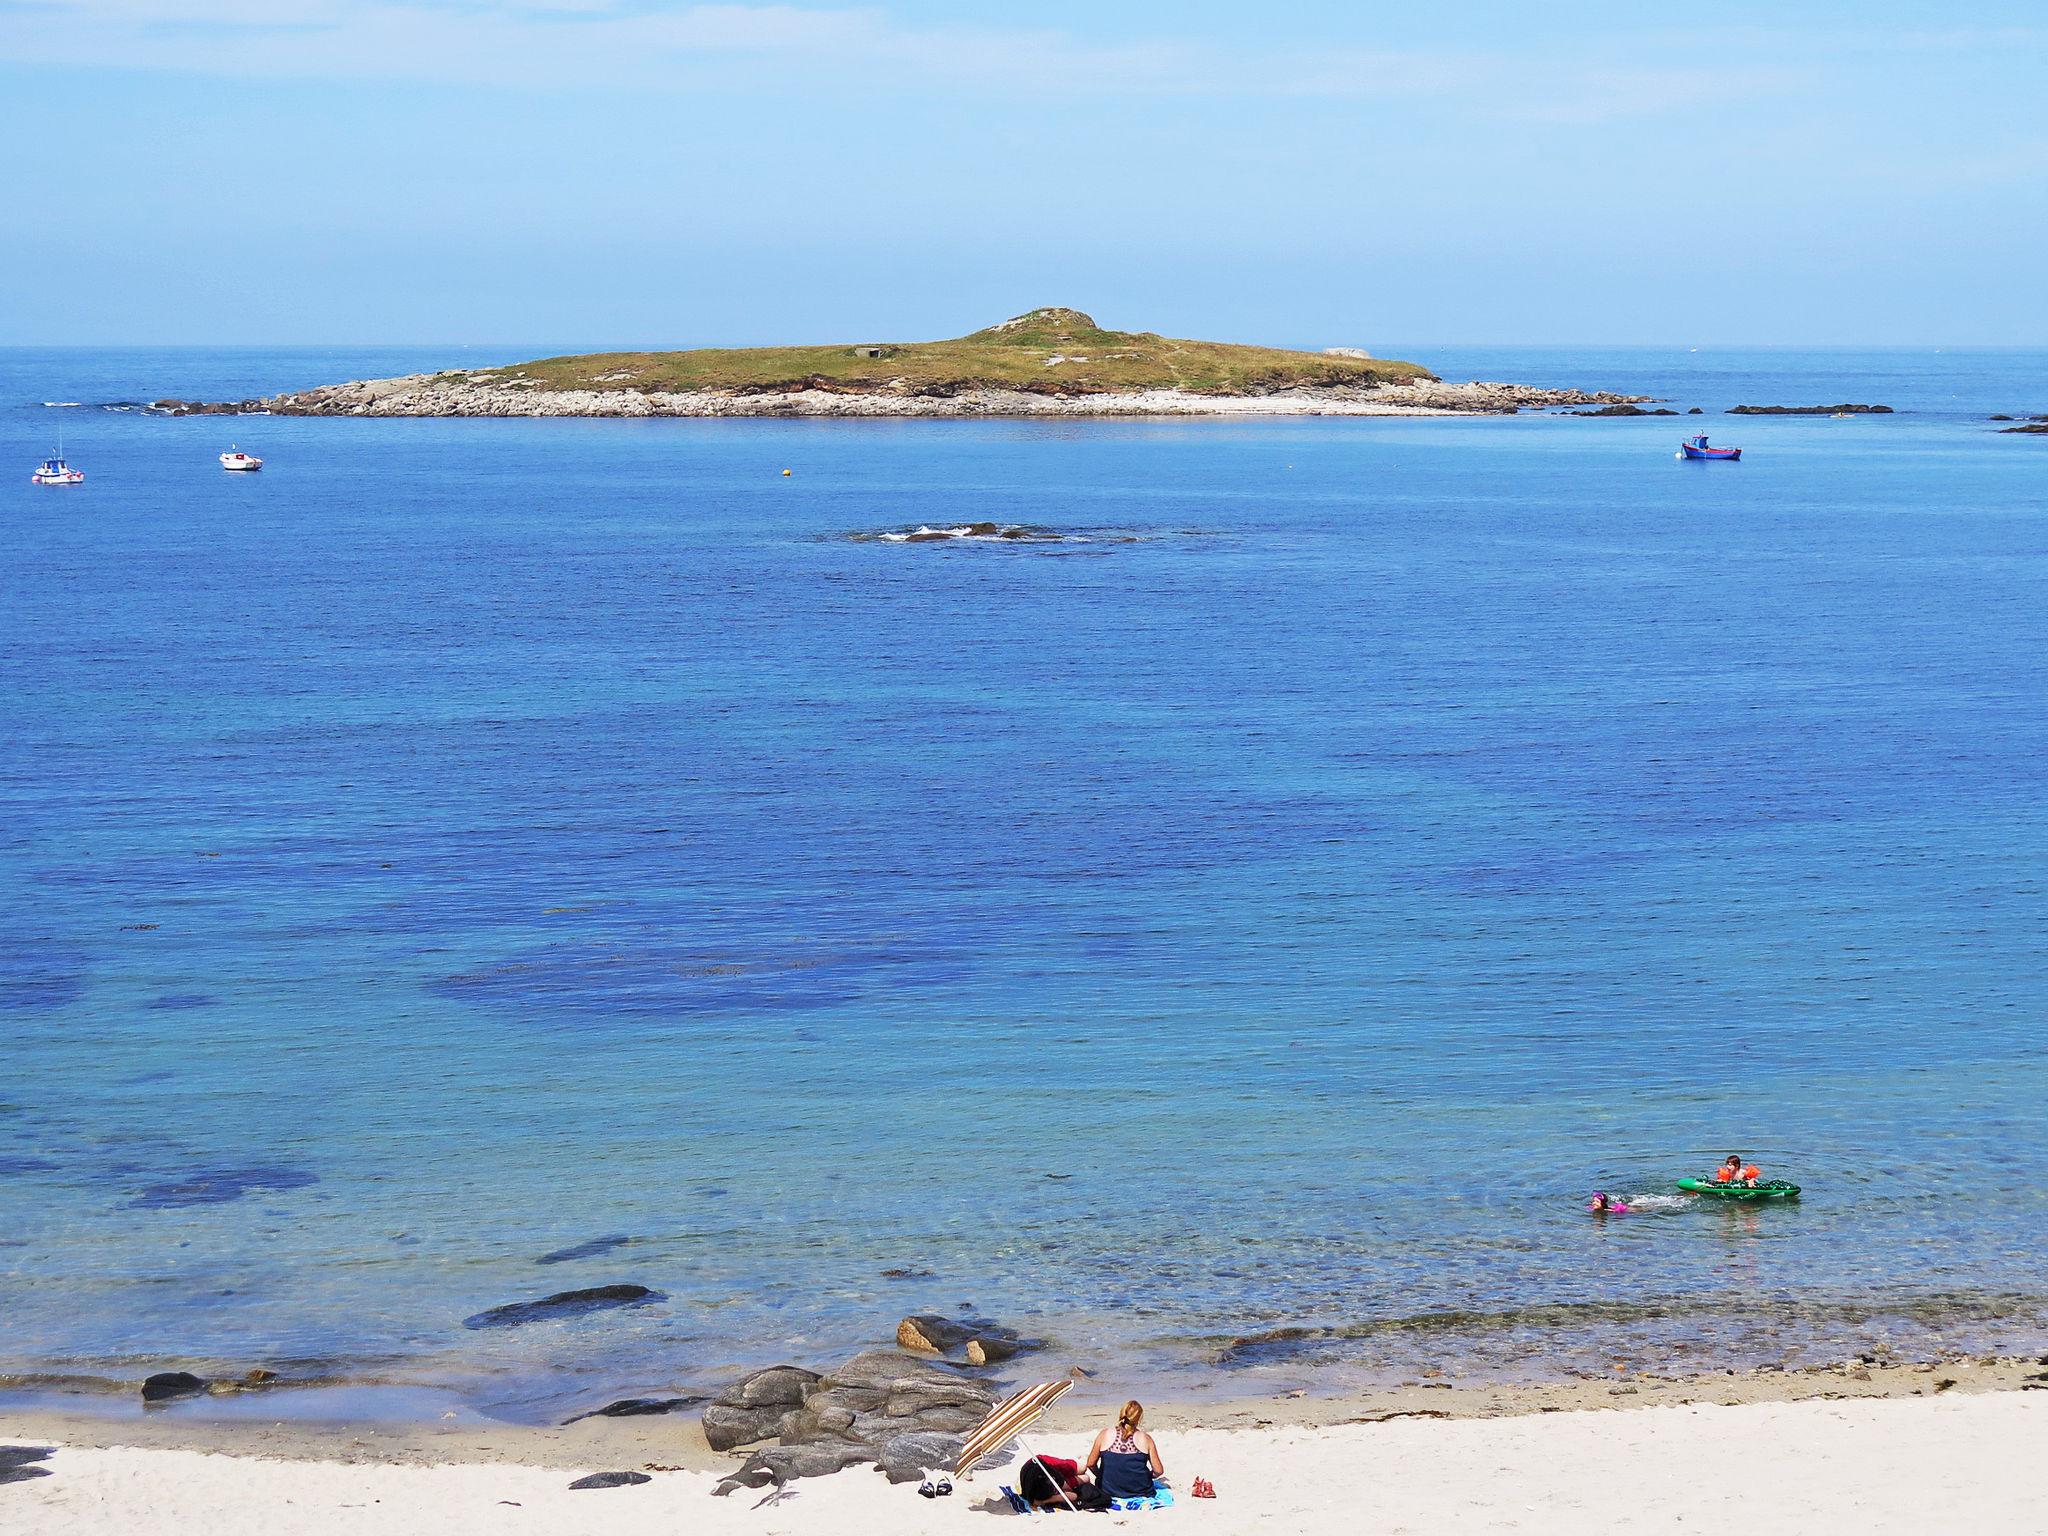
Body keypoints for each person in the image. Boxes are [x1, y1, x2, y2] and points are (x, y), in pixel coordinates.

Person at [1086, 1400, 1164, 1502]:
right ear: (1139, 1419)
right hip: (1140, 1491)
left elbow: (1090, 1464)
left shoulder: (1104, 1435)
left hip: (1108, 1490)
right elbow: (1158, 1471)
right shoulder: (1146, 1439)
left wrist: (1102, 1475)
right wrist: (1147, 1476)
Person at [1018, 1454, 1092, 1511]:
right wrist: (1051, 1499)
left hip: (1042, 1463)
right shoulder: (1042, 1494)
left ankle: (1069, 1478)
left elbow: (1071, 1495)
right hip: (1033, 1464)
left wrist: (1049, 1499)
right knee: (1086, 1477)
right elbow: (1073, 1496)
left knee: (1082, 1468)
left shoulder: (1036, 1495)